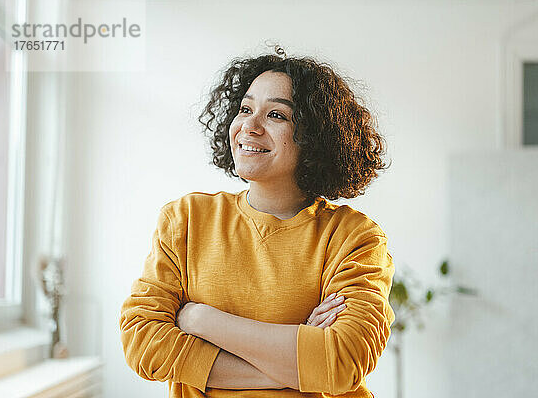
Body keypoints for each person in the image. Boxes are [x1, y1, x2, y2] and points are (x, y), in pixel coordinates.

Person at [119, 50, 396, 398]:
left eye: (276, 114)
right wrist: (294, 363)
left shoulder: (355, 238)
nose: (250, 126)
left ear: (314, 137)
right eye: (246, 109)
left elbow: (341, 361)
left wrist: (200, 321)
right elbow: (144, 345)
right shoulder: (186, 219)